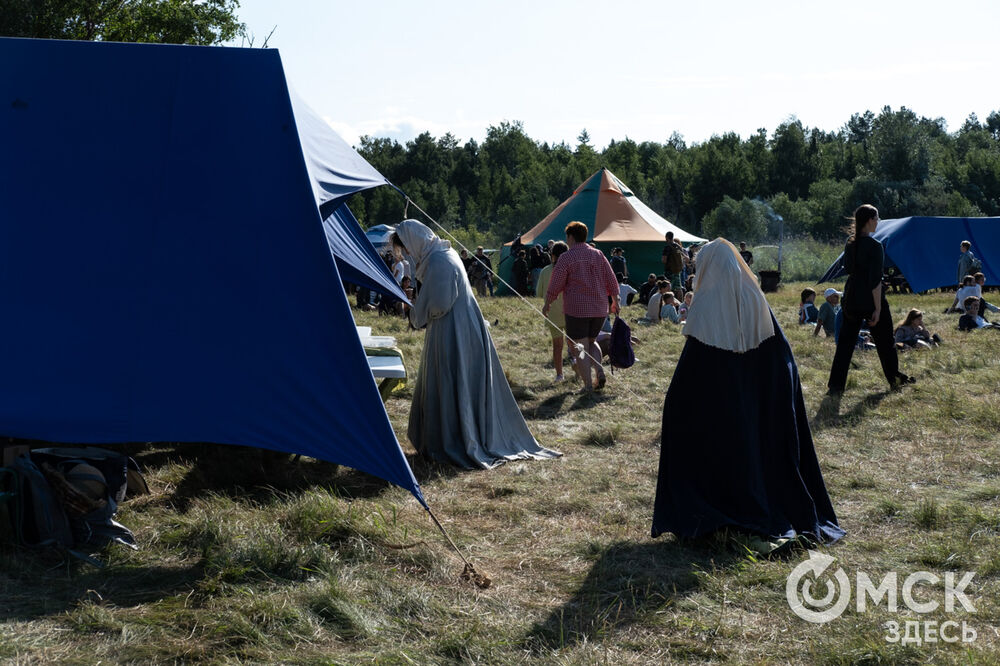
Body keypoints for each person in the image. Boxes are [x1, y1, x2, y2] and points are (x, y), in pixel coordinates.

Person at [651, 238, 844, 543]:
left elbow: (690, 378)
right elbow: (782, 361)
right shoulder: (757, 299)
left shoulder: (706, 303)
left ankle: (711, 510)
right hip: (762, 405)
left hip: (728, 411)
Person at [391, 220, 561, 469]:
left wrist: (413, 312)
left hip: (455, 330)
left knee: (453, 380)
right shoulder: (441, 254)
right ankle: (449, 438)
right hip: (456, 326)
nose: (406, 254)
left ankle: (455, 440)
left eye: (405, 248)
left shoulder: (440, 261)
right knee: (453, 381)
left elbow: (437, 303)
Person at [827, 204, 914, 393]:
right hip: (869, 297)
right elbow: (875, 281)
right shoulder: (875, 246)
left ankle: (835, 386)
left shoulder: (850, 244)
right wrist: (877, 309)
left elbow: (850, 270)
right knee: (885, 344)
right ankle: (895, 379)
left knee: (845, 344)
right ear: (869, 220)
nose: (878, 222)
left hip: (851, 297)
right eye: (876, 218)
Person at [542, 221, 620, 392]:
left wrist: (548, 303)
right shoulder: (598, 254)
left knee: (581, 347)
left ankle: (587, 386)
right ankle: (599, 370)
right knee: (592, 341)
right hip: (599, 308)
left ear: (570, 237)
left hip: (577, 309)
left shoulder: (566, 257)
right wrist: (615, 300)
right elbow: (611, 279)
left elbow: (555, 284)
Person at [536, 241, 570, 381]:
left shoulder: (545, 271)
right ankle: (579, 370)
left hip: (552, 314)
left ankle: (559, 375)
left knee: (557, 346)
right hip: (570, 313)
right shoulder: (570, 269)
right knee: (575, 345)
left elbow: (539, 292)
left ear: (553, 256)